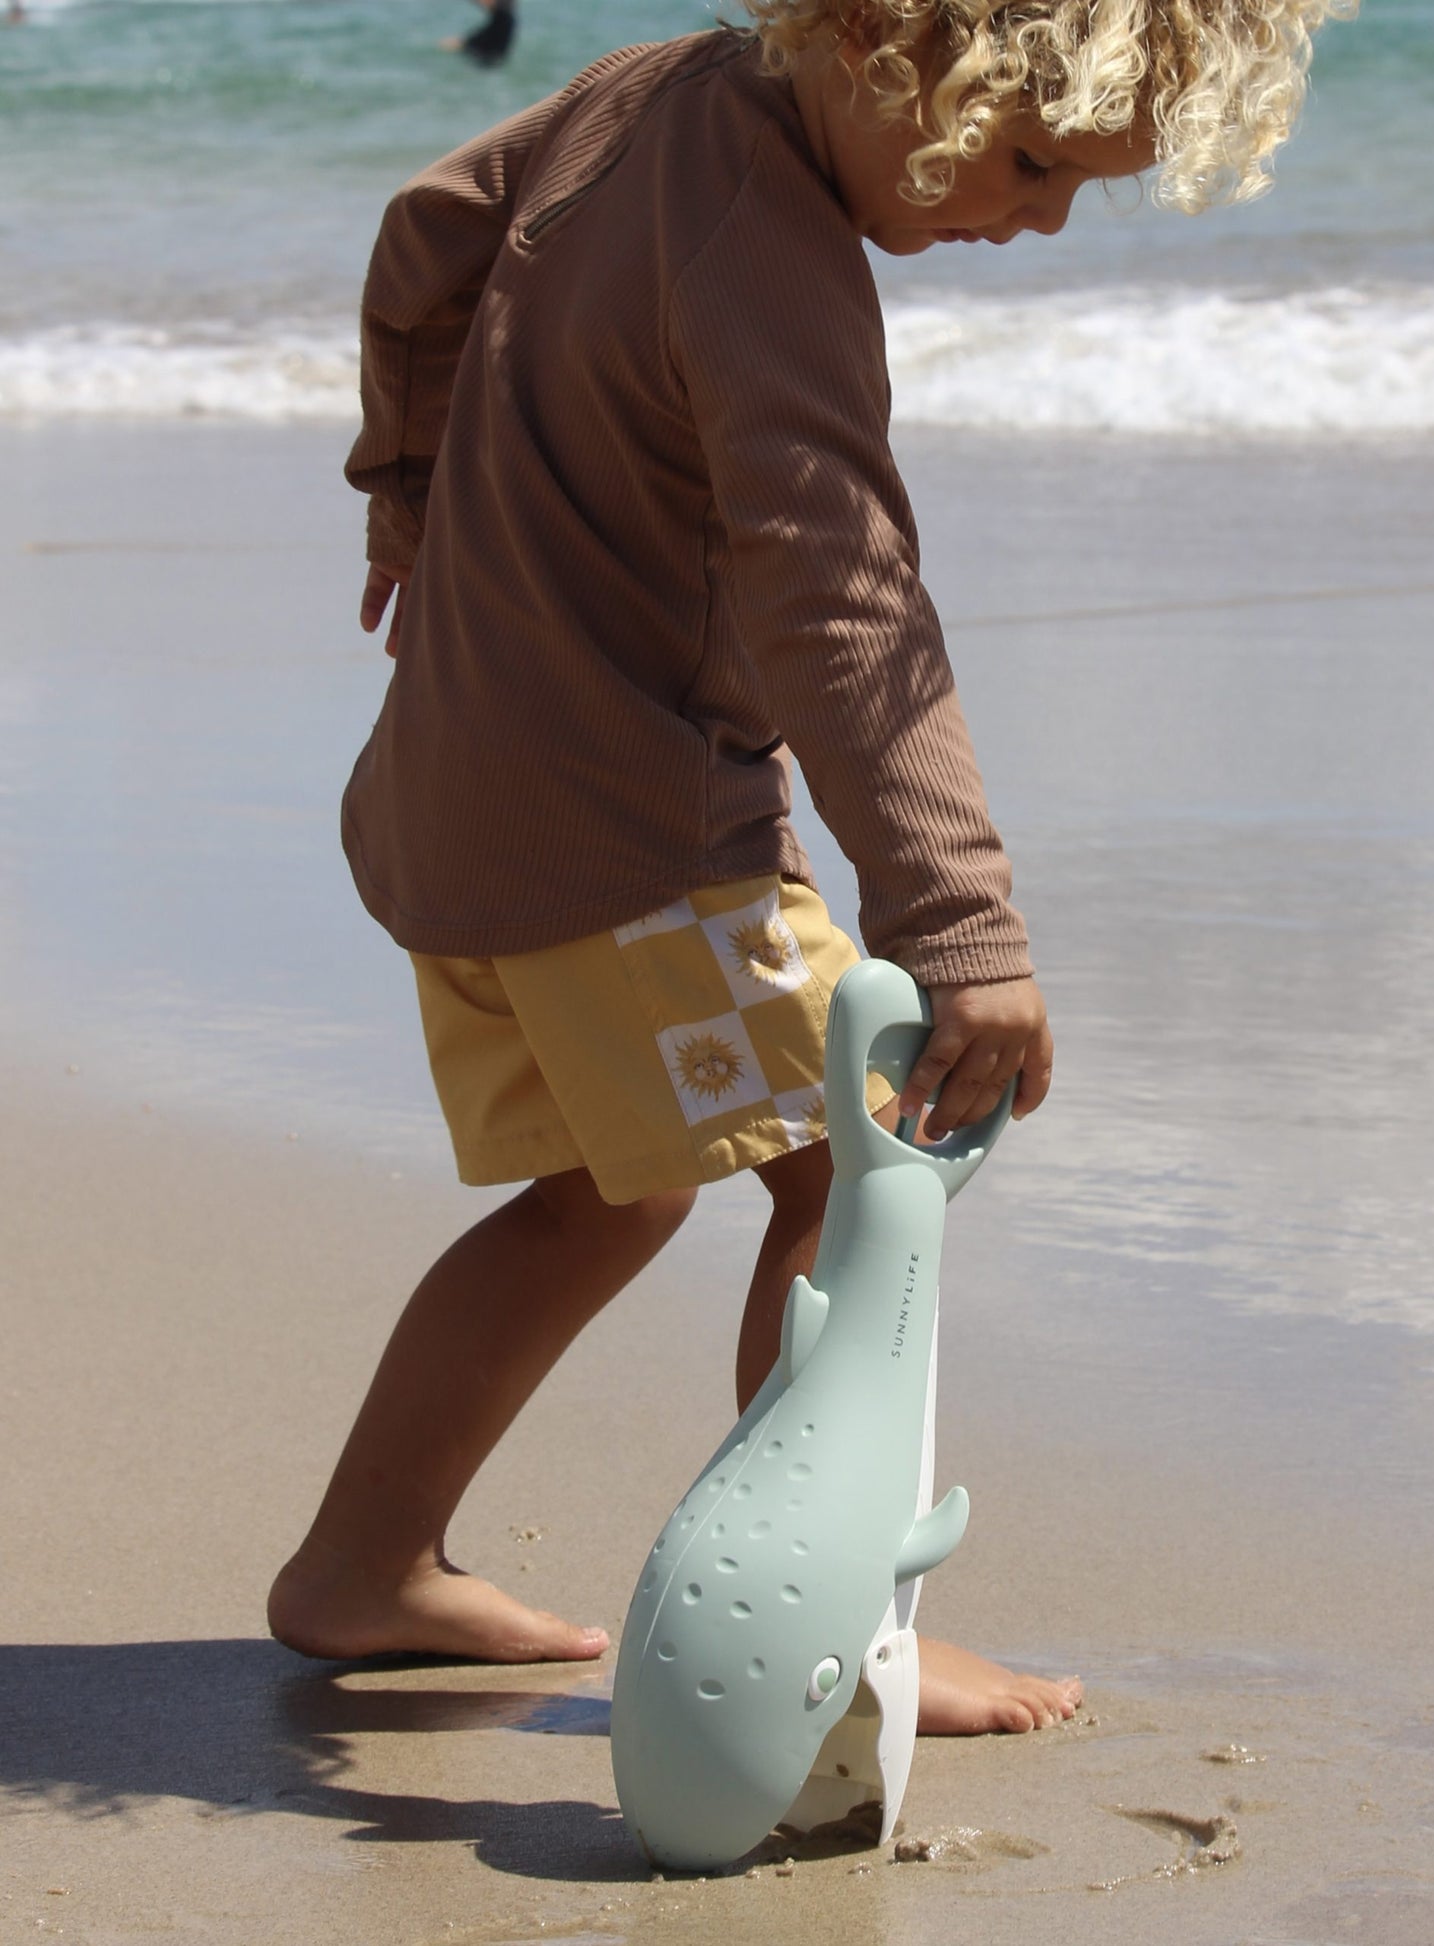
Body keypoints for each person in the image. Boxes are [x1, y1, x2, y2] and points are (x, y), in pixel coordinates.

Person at [268, 0, 1349, 1736]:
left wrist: (406, 484)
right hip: (635, 833)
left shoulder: (654, 90)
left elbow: (425, 234)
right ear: (894, 54)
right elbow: (838, 588)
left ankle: (365, 1558)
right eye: (1030, 160)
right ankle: (829, 1634)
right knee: (862, 1176)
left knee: (604, 1196)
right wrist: (957, 923)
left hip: (464, 783)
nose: (1043, 214)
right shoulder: (764, 238)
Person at [441, 0, 516, 68]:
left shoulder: (502, 19)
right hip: (494, 61)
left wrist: (462, 44)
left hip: (486, 62)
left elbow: (482, 40)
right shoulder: (507, 19)